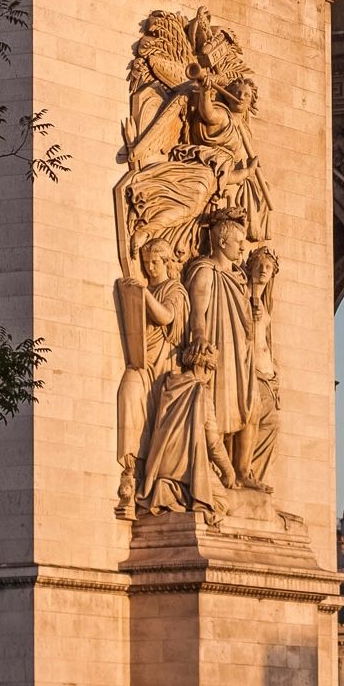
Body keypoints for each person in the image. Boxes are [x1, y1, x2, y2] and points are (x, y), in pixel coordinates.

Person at [115, 237, 188, 513]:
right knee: (128, 393)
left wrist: (144, 294)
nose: (150, 268)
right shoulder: (148, 285)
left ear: (168, 262)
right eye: (146, 264)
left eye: (155, 262)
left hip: (164, 370)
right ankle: (132, 469)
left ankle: (152, 480)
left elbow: (166, 317)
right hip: (142, 363)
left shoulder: (175, 290)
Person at [183, 204, 256, 466]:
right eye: (238, 241)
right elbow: (198, 312)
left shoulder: (238, 277)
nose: (242, 247)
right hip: (218, 345)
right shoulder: (205, 270)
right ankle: (211, 467)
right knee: (219, 406)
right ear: (222, 241)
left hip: (239, 351)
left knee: (245, 406)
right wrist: (200, 337)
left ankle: (238, 469)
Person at [138, 339, 237, 517]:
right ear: (207, 368)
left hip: (160, 468)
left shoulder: (169, 386)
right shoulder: (201, 392)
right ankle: (183, 494)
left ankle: (170, 492)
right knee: (221, 503)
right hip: (185, 470)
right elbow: (213, 442)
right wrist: (228, 471)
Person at [232, 247, 280, 490]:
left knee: (271, 424)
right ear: (249, 267)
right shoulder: (242, 295)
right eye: (259, 265)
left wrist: (274, 370)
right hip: (248, 371)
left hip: (266, 376)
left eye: (268, 267)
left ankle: (252, 473)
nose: (263, 270)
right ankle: (242, 472)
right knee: (251, 417)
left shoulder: (265, 302)